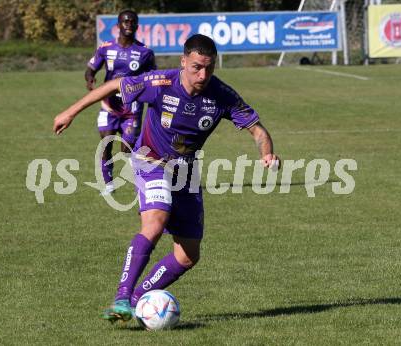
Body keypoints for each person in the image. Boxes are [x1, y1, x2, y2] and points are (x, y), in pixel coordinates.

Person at [53, 34, 280, 324]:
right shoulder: (160, 83)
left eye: (209, 68)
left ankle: (137, 300)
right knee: (156, 221)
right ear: (183, 61)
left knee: (188, 256)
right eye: (197, 66)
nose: (203, 74)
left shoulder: (222, 95)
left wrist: (268, 153)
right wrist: (70, 112)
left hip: (185, 172)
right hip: (150, 161)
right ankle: (122, 296)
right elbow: (113, 85)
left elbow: (257, 130)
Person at [85, 9, 156, 195]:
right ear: (118, 25)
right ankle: (108, 184)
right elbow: (91, 68)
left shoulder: (145, 52)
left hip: (132, 108)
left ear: (137, 26)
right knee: (106, 144)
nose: (129, 25)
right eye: (125, 21)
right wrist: (90, 78)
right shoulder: (105, 48)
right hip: (108, 106)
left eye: (132, 22)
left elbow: (153, 77)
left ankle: (141, 180)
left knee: (127, 149)